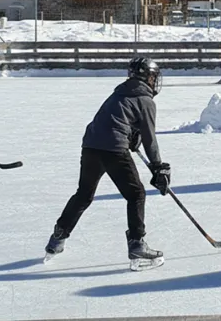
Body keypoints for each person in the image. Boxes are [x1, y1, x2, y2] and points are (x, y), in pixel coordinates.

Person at [44, 57, 171, 270]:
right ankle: (137, 244)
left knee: (84, 194)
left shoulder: (119, 92)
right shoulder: (145, 100)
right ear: (146, 77)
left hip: (91, 146)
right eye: (152, 76)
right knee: (136, 194)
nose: (154, 80)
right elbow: (150, 138)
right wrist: (158, 166)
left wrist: (130, 134)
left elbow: (112, 121)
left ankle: (57, 238)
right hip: (114, 149)